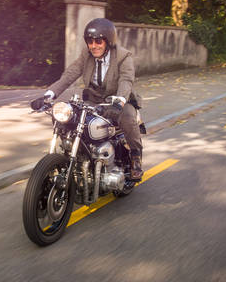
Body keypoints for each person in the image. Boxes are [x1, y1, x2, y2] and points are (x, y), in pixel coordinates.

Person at [32, 18, 144, 181]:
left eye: (98, 41)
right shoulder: (87, 55)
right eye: (90, 41)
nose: (94, 45)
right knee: (69, 117)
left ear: (108, 41)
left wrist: (119, 103)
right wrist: (48, 95)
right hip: (94, 99)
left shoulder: (123, 56)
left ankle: (135, 157)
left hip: (119, 100)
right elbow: (70, 74)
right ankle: (78, 156)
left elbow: (126, 80)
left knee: (127, 118)